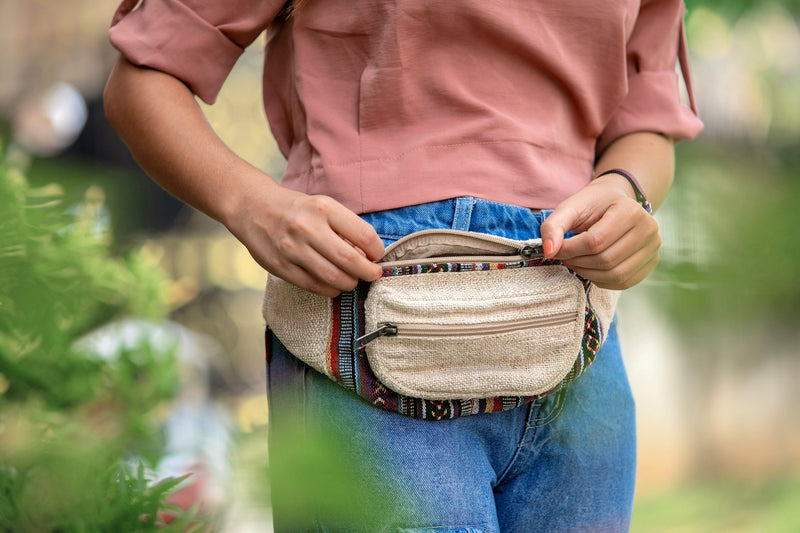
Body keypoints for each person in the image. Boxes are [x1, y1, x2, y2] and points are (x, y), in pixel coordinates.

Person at [104, 0, 702, 531]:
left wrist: (628, 192)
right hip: (366, 331)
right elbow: (144, 79)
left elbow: (647, 117)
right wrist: (253, 207)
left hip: (578, 342)